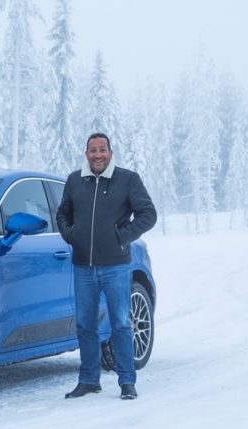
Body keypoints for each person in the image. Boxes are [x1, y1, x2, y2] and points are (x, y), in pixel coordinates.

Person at [56, 132, 157, 400]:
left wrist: (122, 236)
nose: (98, 155)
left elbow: (148, 214)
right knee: (85, 324)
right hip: (83, 266)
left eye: (102, 150)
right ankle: (89, 380)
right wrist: (71, 235)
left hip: (115, 266)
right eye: (93, 150)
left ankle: (127, 382)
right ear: (86, 153)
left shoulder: (128, 179)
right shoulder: (74, 180)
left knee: (121, 324)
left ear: (110, 153)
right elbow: (62, 214)